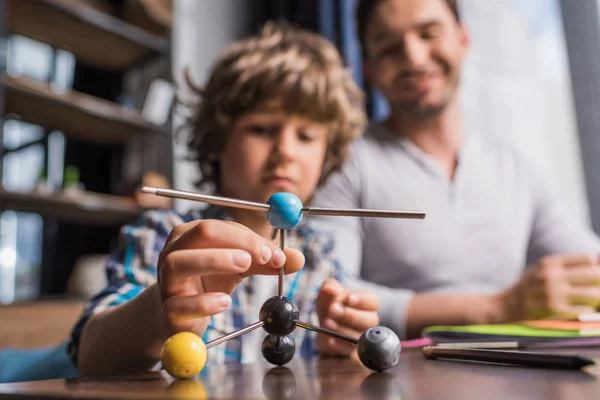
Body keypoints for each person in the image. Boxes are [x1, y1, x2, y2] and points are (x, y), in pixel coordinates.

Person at [68, 22, 380, 377]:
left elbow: (335, 361)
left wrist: (341, 345)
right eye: (262, 129)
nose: (285, 152)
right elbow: (89, 355)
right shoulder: (168, 234)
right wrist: (159, 314)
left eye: (306, 136)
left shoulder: (320, 254)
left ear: (327, 156)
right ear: (217, 141)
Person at [312, 0, 600, 339]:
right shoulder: (344, 167)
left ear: (463, 39)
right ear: (369, 68)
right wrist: (496, 309)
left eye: (429, 34)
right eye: (390, 47)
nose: (415, 58)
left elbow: (589, 263)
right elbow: (327, 292)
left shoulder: (513, 169)